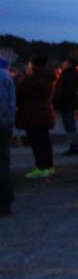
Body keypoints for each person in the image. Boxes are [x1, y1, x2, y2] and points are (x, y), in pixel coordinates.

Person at [16, 56, 57, 179]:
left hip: (33, 115)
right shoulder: (49, 77)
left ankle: (41, 168)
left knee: (37, 142)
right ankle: (49, 167)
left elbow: (20, 95)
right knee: (45, 141)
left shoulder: (31, 79)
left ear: (33, 65)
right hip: (45, 112)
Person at [53, 58, 78, 156]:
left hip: (67, 103)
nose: (63, 64)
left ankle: (74, 147)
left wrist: (57, 100)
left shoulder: (69, 74)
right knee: (70, 125)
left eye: (64, 62)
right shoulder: (72, 73)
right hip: (69, 103)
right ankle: (74, 146)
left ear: (69, 64)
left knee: (70, 125)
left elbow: (65, 90)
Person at [0, 55, 15, 217]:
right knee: (3, 165)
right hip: (5, 125)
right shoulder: (7, 77)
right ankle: (5, 202)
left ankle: (3, 202)